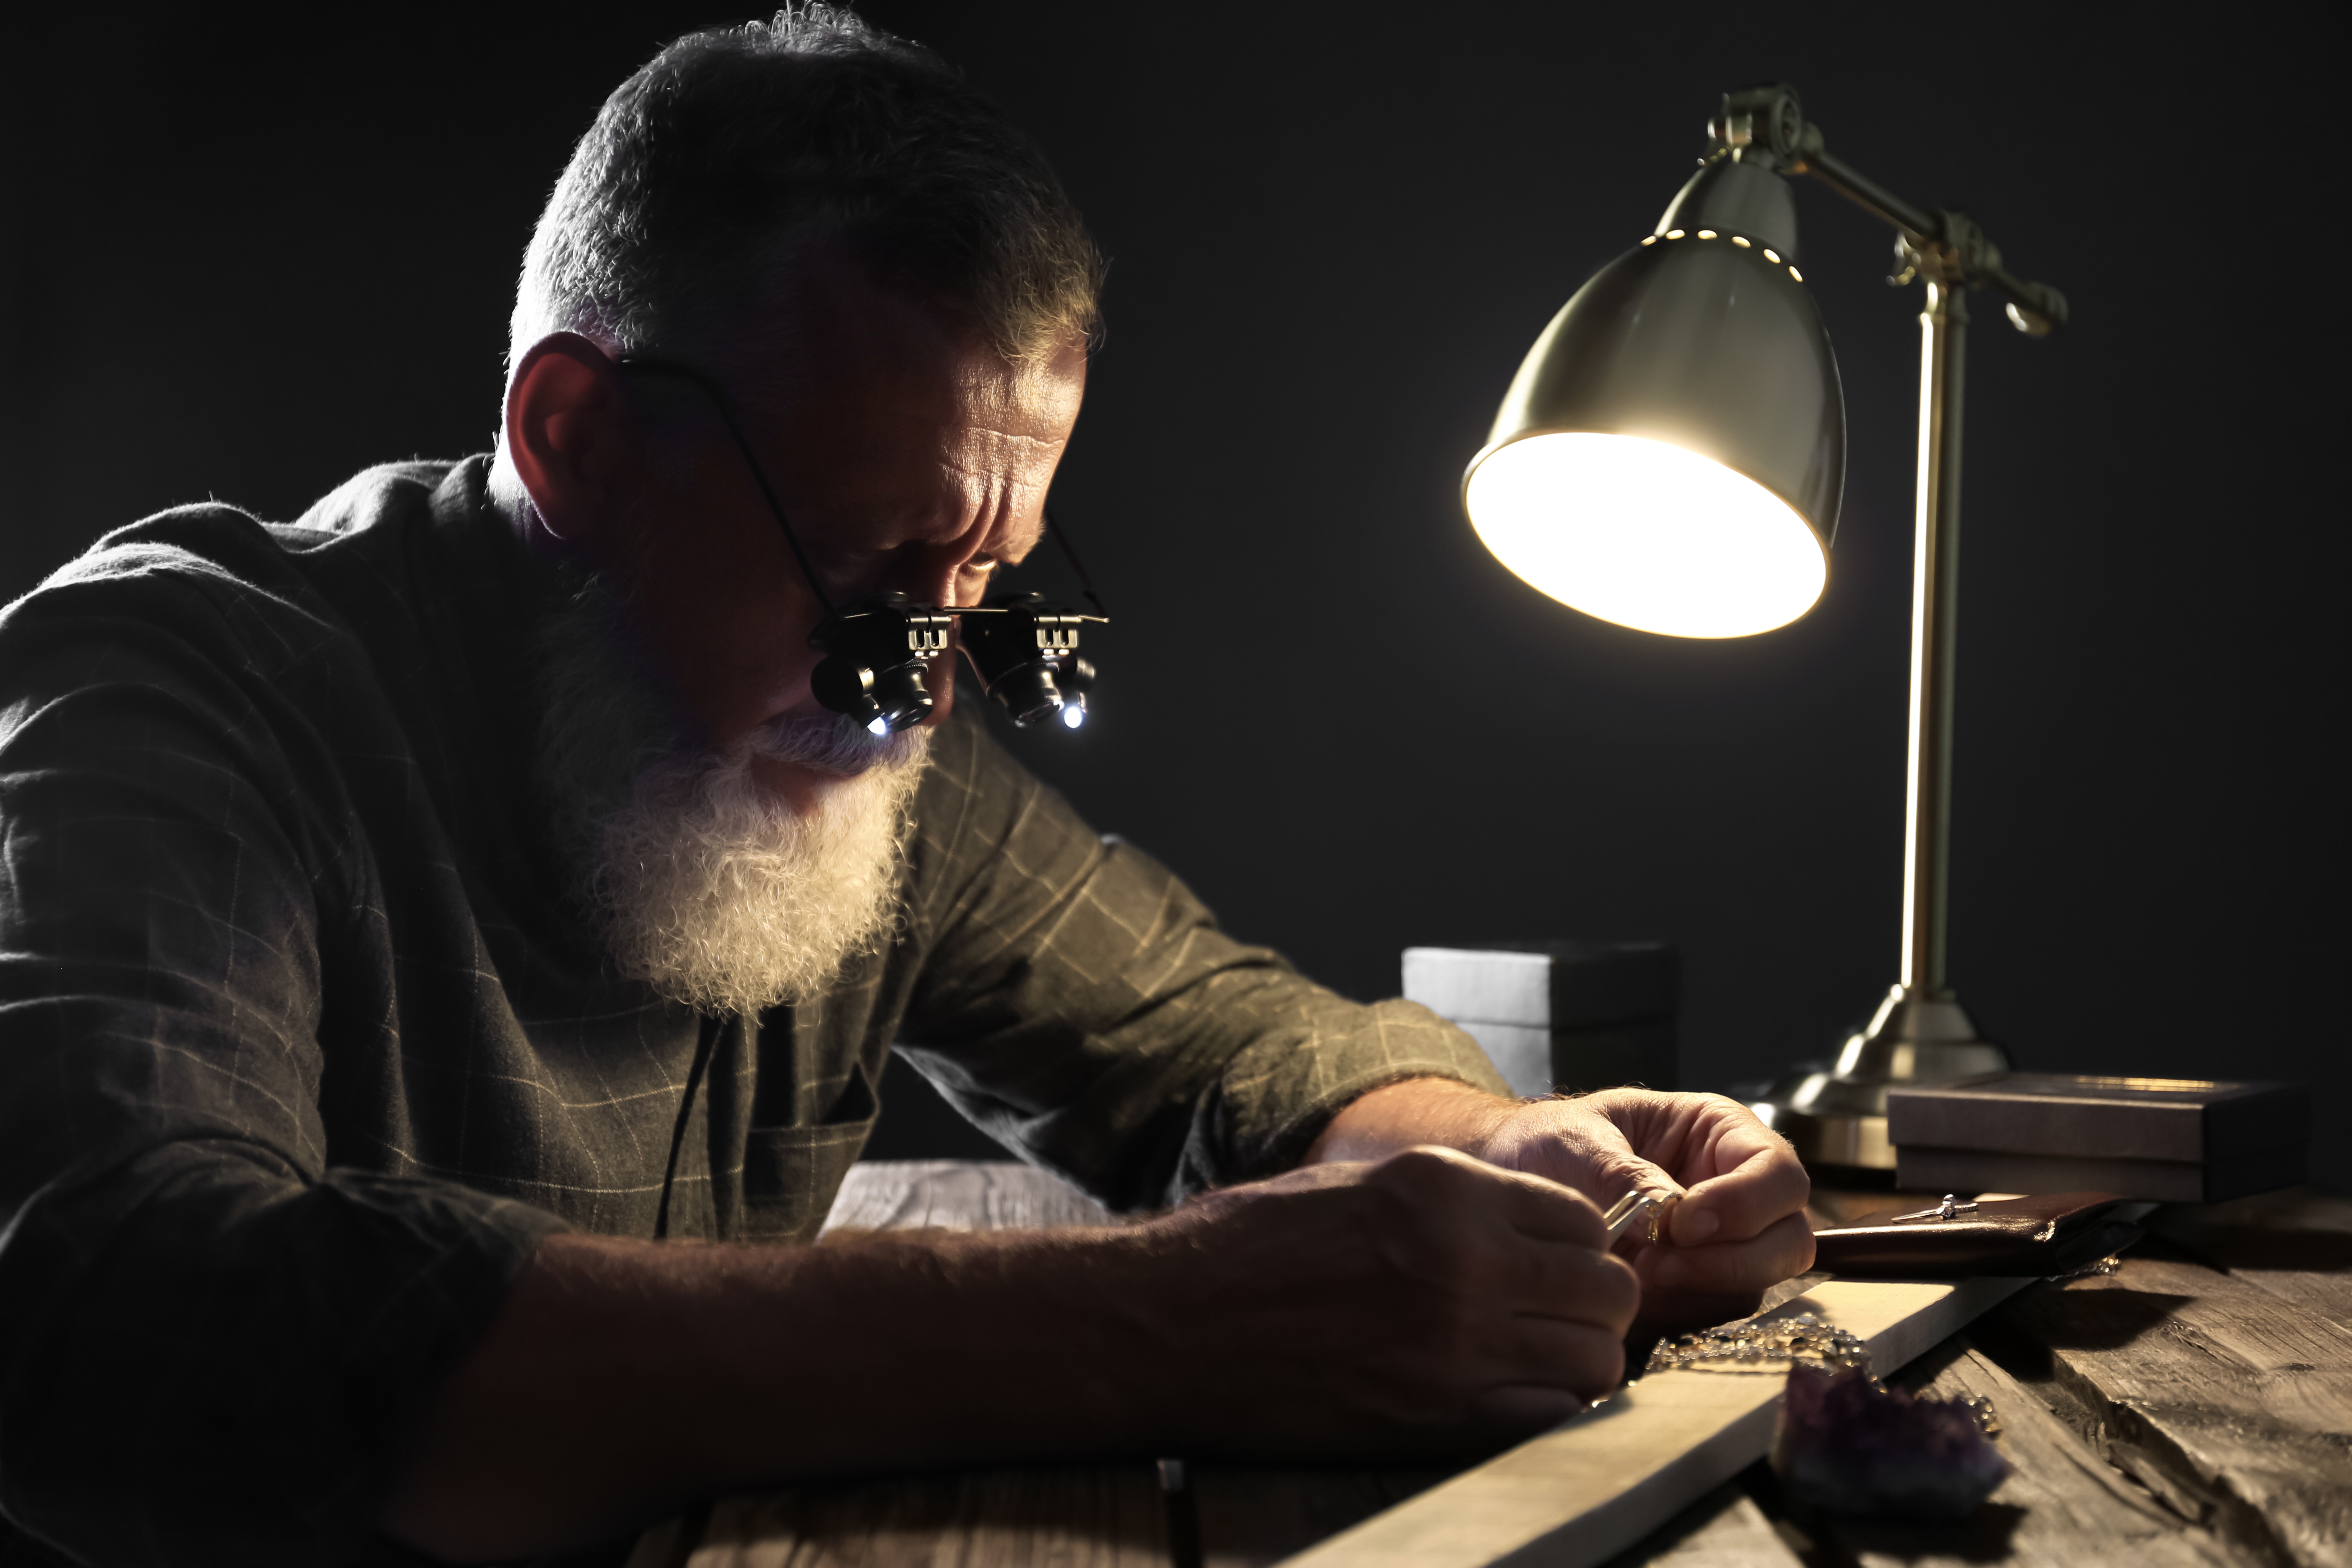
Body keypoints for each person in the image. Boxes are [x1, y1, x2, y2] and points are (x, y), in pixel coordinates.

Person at [0, 10, 1812, 1565]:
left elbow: (1219, 1042)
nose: (930, 684)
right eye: (874, 576)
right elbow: (124, 1312)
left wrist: (1501, 1164)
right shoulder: (179, 690)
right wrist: (1157, 1328)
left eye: (991, 587)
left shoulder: (866, 733)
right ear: (576, 439)